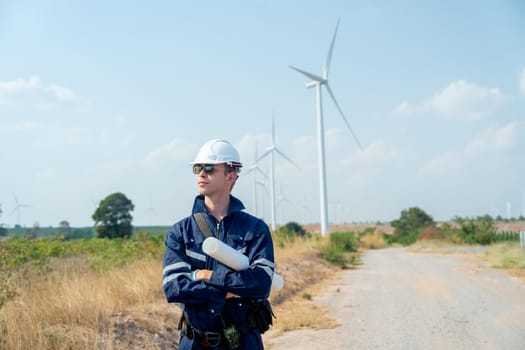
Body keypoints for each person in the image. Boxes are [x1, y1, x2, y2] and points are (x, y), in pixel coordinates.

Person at [162, 139, 275, 350]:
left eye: (210, 168)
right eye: (198, 168)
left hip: (243, 342)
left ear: (230, 176)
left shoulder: (255, 229)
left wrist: (207, 276)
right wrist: (232, 290)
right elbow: (173, 287)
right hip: (194, 342)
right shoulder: (181, 232)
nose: (202, 174)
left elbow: (261, 284)